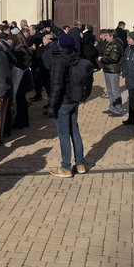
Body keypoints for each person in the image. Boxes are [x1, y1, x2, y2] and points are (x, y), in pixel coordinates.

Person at [47, 34, 86, 178]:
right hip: (74, 99)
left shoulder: (59, 60)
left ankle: (66, 167)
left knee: (64, 134)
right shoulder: (76, 57)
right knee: (74, 131)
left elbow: (57, 85)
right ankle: (80, 164)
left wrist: (52, 105)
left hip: (63, 101)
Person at [100, 29, 124, 117]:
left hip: (113, 71)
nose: (105, 37)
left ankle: (118, 110)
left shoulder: (116, 45)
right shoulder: (110, 44)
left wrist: (102, 59)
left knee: (115, 91)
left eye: (107, 36)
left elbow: (114, 59)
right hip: (107, 69)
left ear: (112, 36)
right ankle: (112, 108)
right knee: (110, 91)